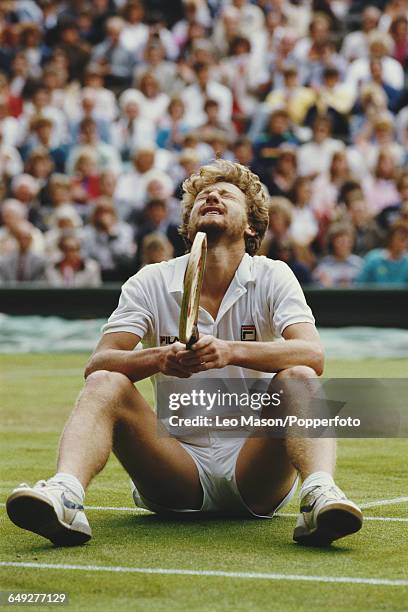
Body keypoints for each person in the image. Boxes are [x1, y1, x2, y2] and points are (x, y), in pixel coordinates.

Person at [6, 160, 363, 548]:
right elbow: (99, 362)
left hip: (257, 472)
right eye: (201, 198)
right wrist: (161, 358)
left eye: (226, 194)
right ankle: (66, 495)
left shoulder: (273, 274)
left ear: (250, 225)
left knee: (299, 377)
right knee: (105, 382)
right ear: (189, 224)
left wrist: (230, 351)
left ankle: (319, 495)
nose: (211, 196)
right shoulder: (150, 280)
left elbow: (312, 354)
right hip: (175, 471)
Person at [357, 220, 408, 284]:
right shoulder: (373, 258)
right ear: (391, 239)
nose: (406, 243)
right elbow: (360, 284)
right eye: (402, 239)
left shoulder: (407, 262)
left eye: (407, 239)